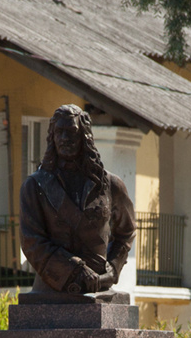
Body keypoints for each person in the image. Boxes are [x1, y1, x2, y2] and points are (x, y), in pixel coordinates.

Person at [19, 104, 136, 295]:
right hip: (50, 288)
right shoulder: (35, 186)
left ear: (84, 136)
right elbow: (32, 241)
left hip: (99, 285)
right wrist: (75, 269)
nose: (65, 139)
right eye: (60, 132)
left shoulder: (110, 184)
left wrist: (112, 270)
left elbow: (126, 231)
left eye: (72, 132)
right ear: (52, 137)